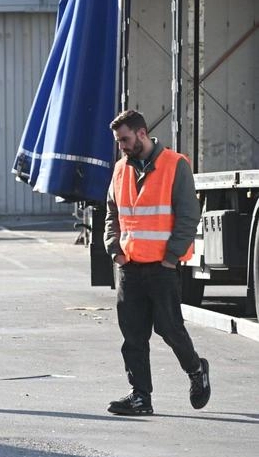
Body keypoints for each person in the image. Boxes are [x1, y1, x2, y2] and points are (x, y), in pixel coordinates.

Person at [104, 109, 210, 416]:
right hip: (130, 267)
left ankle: (196, 370)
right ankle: (141, 397)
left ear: (141, 133)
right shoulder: (120, 169)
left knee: (170, 329)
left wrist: (171, 257)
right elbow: (112, 213)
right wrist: (115, 249)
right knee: (133, 336)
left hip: (161, 267)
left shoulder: (175, 165)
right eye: (118, 141)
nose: (121, 146)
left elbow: (189, 215)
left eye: (124, 139)